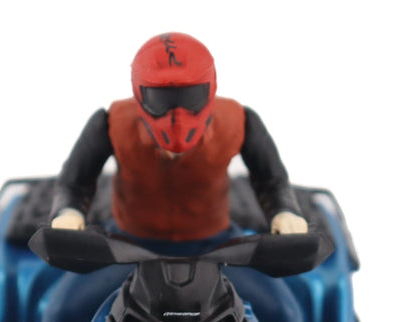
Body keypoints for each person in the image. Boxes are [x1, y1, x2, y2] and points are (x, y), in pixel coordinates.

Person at [49, 32, 308, 242]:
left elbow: (272, 180)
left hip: (215, 243)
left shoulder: (239, 121)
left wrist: (284, 212)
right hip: (128, 242)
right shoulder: (111, 123)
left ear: (210, 89)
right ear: (139, 93)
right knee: (58, 294)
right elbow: (75, 182)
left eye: (190, 97)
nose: (177, 117)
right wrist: (69, 212)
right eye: (161, 99)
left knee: (286, 295)